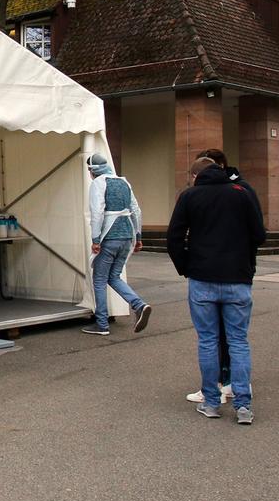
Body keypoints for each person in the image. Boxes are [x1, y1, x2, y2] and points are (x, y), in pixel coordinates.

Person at [166, 157, 267, 424]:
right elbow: (259, 234)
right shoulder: (242, 194)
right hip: (237, 278)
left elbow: (174, 237)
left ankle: (211, 402)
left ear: (196, 175)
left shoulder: (190, 196)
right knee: (238, 341)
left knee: (208, 340)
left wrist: (186, 266)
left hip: (202, 278)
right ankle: (243, 405)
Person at [81, 153, 150, 336]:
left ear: (92, 171)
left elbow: (97, 213)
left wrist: (95, 239)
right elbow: (136, 210)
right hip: (127, 235)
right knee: (114, 277)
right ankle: (139, 305)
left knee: (100, 280)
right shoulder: (124, 182)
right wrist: (138, 235)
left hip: (109, 237)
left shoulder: (98, 183)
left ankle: (102, 324)